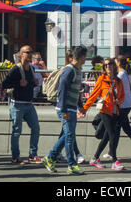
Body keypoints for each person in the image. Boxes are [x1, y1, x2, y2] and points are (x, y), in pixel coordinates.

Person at [42, 46, 88, 175]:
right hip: (66, 108)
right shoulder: (69, 71)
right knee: (69, 137)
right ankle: (71, 165)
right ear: (82, 56)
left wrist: (80, 106)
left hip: (71, 108)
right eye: (85, 56)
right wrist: (63, 110)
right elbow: (62, 90)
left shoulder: (78, 70)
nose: (86, 58)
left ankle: (50, 158)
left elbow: (76, 90)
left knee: (67, 136)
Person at [79, 58, 126, 171]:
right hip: (105, 111)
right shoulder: (102, 79)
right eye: (105, 65)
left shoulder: (118, 80)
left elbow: (122, 95)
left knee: (106, 138)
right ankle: (114, 161)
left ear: (114, 66)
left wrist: (119, 101)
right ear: (104, 68)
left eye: (110, 64)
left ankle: (94, 158)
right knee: (112, 135)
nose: (108, 66)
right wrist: (84, 109)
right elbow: (93, 95)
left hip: (115, 111)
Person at [2, 45, 41, 165]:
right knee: (17, 131)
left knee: (36, 128)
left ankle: (32, 155)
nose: (30, 55)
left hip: (29, 104)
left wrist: (35, 83)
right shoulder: (15, 69)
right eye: (27, 52)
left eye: (31, 52)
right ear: (21, 54)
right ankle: (15, 157)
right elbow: (4, 84)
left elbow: (30, 85)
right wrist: (18, 83)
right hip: (17, 105)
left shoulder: (32, 69)